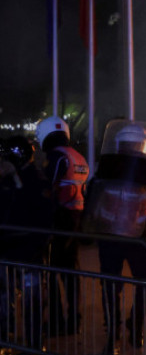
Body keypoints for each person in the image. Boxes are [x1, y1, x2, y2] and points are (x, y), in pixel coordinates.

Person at [82, 121, 146, 355]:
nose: (132, 148)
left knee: (144, 281)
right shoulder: (115, 166)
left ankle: (131, 327)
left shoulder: (139, 168)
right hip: (119, 234)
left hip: (133, 234)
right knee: (116, 284)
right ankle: (114, 334)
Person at [0, 136, 53, 355]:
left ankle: (33, 346)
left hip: (28, 250)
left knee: (32, 300)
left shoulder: (34, 180)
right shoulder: (9, 179)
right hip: (8, 248)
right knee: (4, 298)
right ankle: (5, 339)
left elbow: (38, 213)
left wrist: (14, 179)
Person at [37, 116, 89, 336]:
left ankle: (57, 321)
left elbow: (48, 188)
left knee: (52, 271)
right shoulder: (78, 157)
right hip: (75, 219)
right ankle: (74, 320)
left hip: (58, 219)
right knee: (70, 272)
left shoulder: (56, 157)